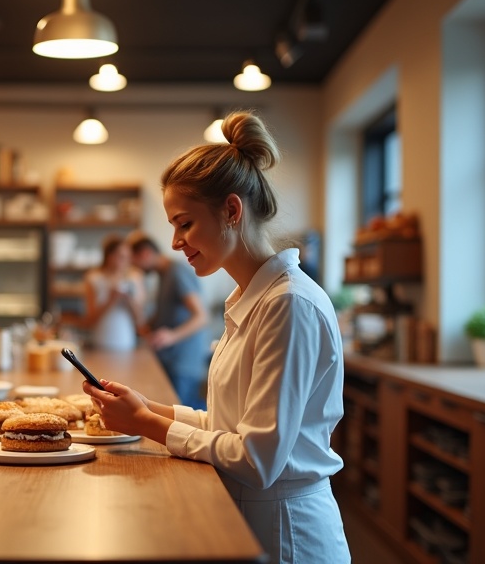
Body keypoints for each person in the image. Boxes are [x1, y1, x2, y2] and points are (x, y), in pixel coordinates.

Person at [83, 111, 350, 563]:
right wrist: (148, 407)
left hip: (288, 535)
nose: (174, 242)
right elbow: (227, 425)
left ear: (231, 210)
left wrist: (146, 425)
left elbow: (258, 459)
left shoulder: (288, 305)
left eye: (184, 223)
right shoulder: (251, 298)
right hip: (252, 516)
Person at [129, 234, 209, 409]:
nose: (134, 267)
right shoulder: (164, 274)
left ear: (145, 253)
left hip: (183, 362)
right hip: (172, 359)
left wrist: (171, 336)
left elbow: (201, 316)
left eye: (134, 261)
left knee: (184, 417)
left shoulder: (177, 271)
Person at [81, 233, 146, 351]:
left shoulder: (135, 277)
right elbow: (89, 320)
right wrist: (110, 300)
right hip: (100, 340)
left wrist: (130, 300)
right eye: (121, 256)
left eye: (128, 257)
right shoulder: (94, 278)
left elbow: (140, 320)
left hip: (127, 342)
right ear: (109, 256)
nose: (125, 261)